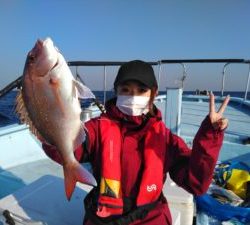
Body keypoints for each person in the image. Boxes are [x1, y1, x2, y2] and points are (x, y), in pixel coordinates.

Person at [42, 60, 230, 225]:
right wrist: (47, 126)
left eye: (141, 90)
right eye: (126, 90)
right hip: (104, 218)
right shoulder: (97, 129)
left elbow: (195, 183)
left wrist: (210, 135)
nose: (133, 96)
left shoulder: (165, 139)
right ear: (116, 92)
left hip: (151, 218)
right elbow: (65, 150)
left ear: (153, 94)